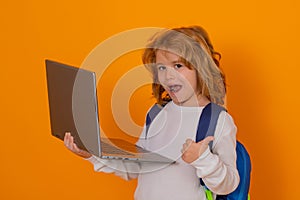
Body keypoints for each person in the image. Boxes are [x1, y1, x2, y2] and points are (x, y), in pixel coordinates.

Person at [64, 25, 240, 200]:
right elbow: (136, 167)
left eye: (178, 65)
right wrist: (92, 156)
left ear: (201, 68)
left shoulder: (218, 120)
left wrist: (203, 159)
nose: (168, 76)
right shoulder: (156, 113)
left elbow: (229, 184)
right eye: (161, 68)